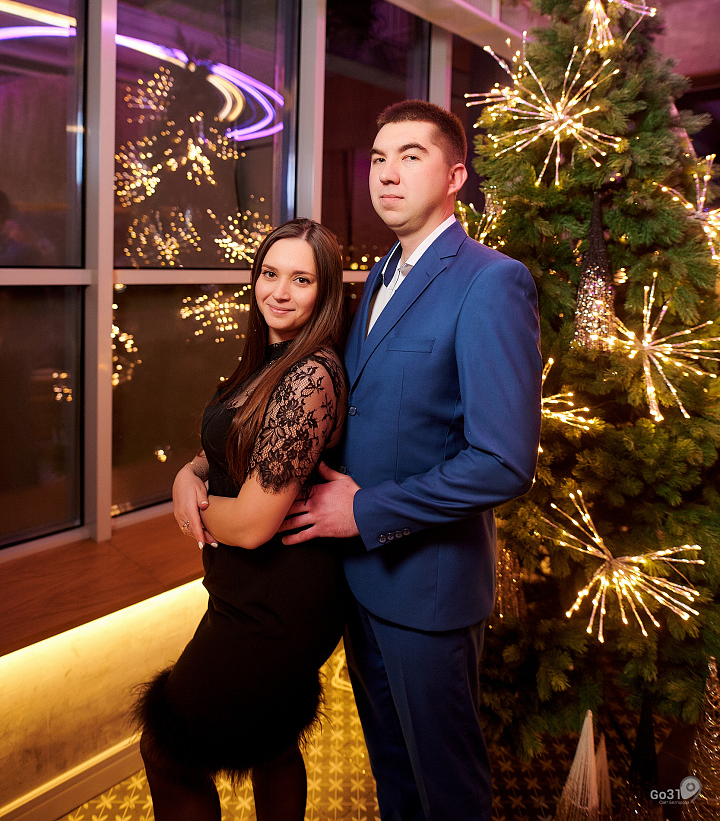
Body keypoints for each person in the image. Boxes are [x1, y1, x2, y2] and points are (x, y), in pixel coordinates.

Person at [279, 100, 542, 821]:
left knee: (447, 791)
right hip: (360, 582)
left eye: (411, 157)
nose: (386, 174)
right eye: (377, 159)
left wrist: (364, 510)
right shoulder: (378, 275)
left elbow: (503, 462)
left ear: (455, 176)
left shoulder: (491, 281)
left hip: (428, 591)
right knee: (393, 779)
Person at [136, 218, 348, 821]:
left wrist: (191, 510)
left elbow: (254, 524)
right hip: (247, 590)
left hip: (276, 602)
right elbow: (233, 445)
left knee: (166, 750)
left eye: (301, 279)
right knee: (271, 742)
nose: (278, 292)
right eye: (269, 273)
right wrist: (188, 473)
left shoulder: (310, 375)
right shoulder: (272, 359)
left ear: (325, 292)